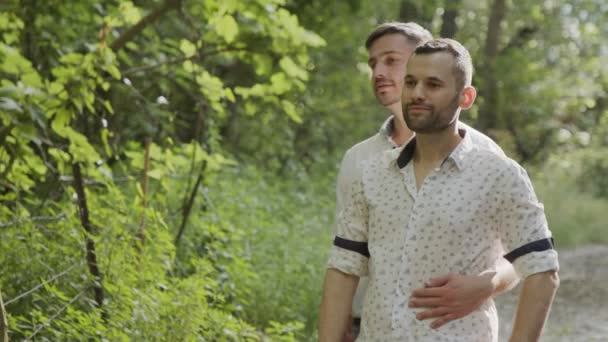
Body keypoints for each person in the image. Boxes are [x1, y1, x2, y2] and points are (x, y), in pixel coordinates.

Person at [320, 38, 560, 341]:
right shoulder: (372, 173)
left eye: (433, 85)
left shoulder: (499, 174)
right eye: (411, 82)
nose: (417, 94)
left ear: (466, 97)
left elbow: (542, 271)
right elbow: (343, 269)